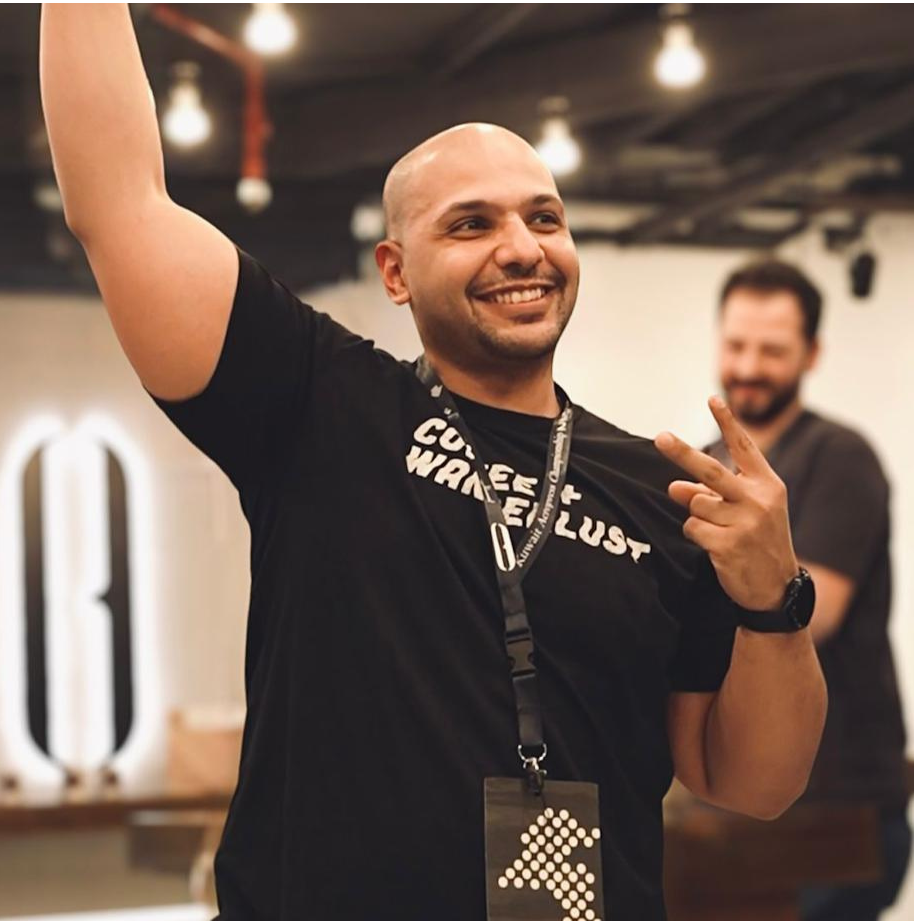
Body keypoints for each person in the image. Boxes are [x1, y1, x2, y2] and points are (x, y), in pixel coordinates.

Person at [40, 6, 827, 918]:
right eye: (470, 225)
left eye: (545, 217)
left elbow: (755, 784)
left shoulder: (661, 489)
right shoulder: (319, 405)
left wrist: (776, 601)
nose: (522, 248)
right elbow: (120, 203)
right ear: (395, 271)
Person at [707, 260, 910, 920]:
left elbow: (811, 611)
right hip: (747, 799)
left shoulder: (838, 456)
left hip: (838, 802)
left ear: (811, 354)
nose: (749, 366)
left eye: (772, 350)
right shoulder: (712, 463)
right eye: (737, 345)